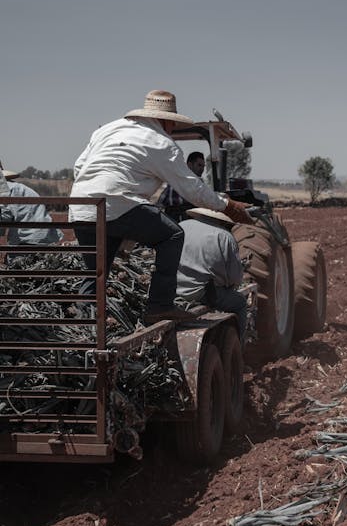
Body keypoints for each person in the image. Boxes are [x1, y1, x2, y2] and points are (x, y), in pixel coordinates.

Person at [69, 89, 252, 325]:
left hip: (82, 206)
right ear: (166, 121)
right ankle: (160, 305)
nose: (172, 130)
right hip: (117, 204)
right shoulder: (161, 143)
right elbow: (192, 190)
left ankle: (83, 326)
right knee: (173, 235)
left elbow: (79, 167)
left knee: (96, 272)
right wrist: (227, 206)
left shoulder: (107, 129)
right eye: (173, 125)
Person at [176, 207, 247, 340]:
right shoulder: (225, 236)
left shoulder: (181, 226)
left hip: (172, 289)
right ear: (223, 220)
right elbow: (235, 278)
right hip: (201, 294)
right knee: (240, 302)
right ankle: (239, 344)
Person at [0, 165, 62, 247]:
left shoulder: (4, 189)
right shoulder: (18, 187)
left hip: (27, 237)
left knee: (15, 258)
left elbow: (4, 217)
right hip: (44, 233)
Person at [158, 151, 205, 221]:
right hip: (179, 222)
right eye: (199, 165)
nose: (202, 169)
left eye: (203, 166)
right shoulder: (176, 182)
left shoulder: (201, 185)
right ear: (189, 165)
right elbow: (160, 204)